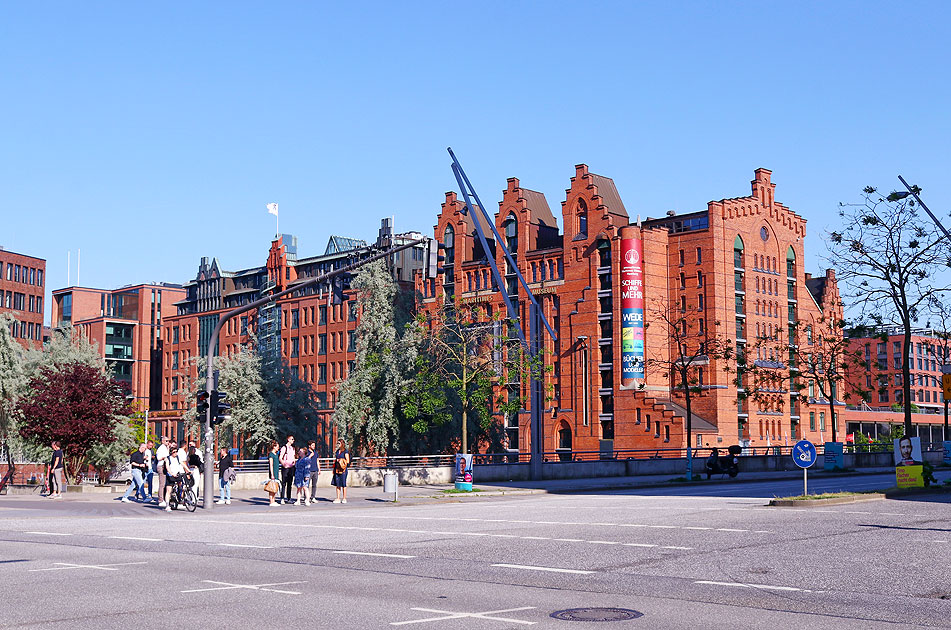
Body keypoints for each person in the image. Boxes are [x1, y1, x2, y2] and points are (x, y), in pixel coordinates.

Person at [163, 445, 190, 512]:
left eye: (176, 452)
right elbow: (167, 467)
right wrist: (171, 473)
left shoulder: (178, 458)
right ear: (171, 452)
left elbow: (183, 464)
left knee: (181, 486)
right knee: (168, 490)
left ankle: (180, 499)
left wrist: (188, 470)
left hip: (177, 474)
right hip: (171, 475)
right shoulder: (167, 459)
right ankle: (167, 505)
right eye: (174, 452)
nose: (175, 453)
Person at [278, 435, 297, 505]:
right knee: (284, 483)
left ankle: (289, 498)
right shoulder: (284, 448)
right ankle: (282, 498)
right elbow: (280, 457)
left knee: (290, 483)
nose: (293, 440)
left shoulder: (292, 448)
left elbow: (293, 457)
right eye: (292, 439)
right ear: (288, 439)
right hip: (286, 467)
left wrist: (294, 462)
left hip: (291, 467)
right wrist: (284, 464)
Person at [332, 439, 350, 504]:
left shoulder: (345, 451)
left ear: (342, 444)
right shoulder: (337, 451)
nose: (338, 445)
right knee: (337, 484)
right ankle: (338, 498)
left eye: (339, 443)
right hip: (337, 469)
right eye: (337, 443)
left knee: (343, 484)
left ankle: (344, 498)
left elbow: (347, 461)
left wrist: (341, 460)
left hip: (343, 470)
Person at [155, 436, 170, 506]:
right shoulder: (161, 448)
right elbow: (158, 458)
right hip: (161, 466)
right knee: (162, 484)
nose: (168, 442)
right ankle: (160, 500)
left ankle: (163, 498)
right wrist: (164, 458)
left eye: (168, 441)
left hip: (165, 466)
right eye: (166, 441)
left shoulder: (165, 448)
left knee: (165, 483)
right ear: (163, 441)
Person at [266, 441, 281, 506]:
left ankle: (273, 500)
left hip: (276, 472)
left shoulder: (276, 454)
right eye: (277, 447)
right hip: (273, 472)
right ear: (274, 447)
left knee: (275, 486)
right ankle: (271, 501)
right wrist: (272, 474)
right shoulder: (271, 454)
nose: (278, 448)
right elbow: (271, 465)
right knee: (271, 487)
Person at [308, 440, 320, 505]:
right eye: (312, 445)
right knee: (307, 485)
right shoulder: (307, 452)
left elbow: (317, 461)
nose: (314, 446)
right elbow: (305, 460)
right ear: (309, 446)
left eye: (314, 445)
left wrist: (319, 469)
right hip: (309, 470)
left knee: (314, 485)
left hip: (315, 470)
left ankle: (313, 497)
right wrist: (310, 456)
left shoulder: (316, 452)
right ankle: (306, 497)